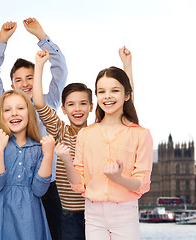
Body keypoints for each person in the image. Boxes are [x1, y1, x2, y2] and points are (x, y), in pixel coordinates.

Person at [33, 47, 133, 240]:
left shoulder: (100, 131)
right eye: (71, 104)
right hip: (68, 212)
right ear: (63, 109)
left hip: (98, 210)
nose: (77, 109)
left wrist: (126, 66)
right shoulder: (61, 131)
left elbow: (126, 105)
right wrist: (39, 66)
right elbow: (38, 102)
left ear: (90, 107)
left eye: (82, 104)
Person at [0, 17, 67, 239]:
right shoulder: (8, 105)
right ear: (12, 86)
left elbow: (60, 70)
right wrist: (2, 41)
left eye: (30, 77)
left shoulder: (48, 102)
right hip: (10, 186)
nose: (25, 84)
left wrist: (42, 37)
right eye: (19, 80)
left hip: (46, 185)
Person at [56, 65, 152, 240]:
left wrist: (119, 178)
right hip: (93, 213)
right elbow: (79, 184)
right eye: (101, 91)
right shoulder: (85, 134)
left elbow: (142, 183)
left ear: (127, 95)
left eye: (115, 90)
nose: (107, 96)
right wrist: (67, 161)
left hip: (124, 212)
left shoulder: (140, 134)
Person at [0, 90, 54, 240]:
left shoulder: (38, 148)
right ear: (1, 115)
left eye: (20, 108)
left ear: (29, 112)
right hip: (0, 216)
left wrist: (48, 155)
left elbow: (39, 190)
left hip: (29, 219)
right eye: (7, 110)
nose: (14, 113)